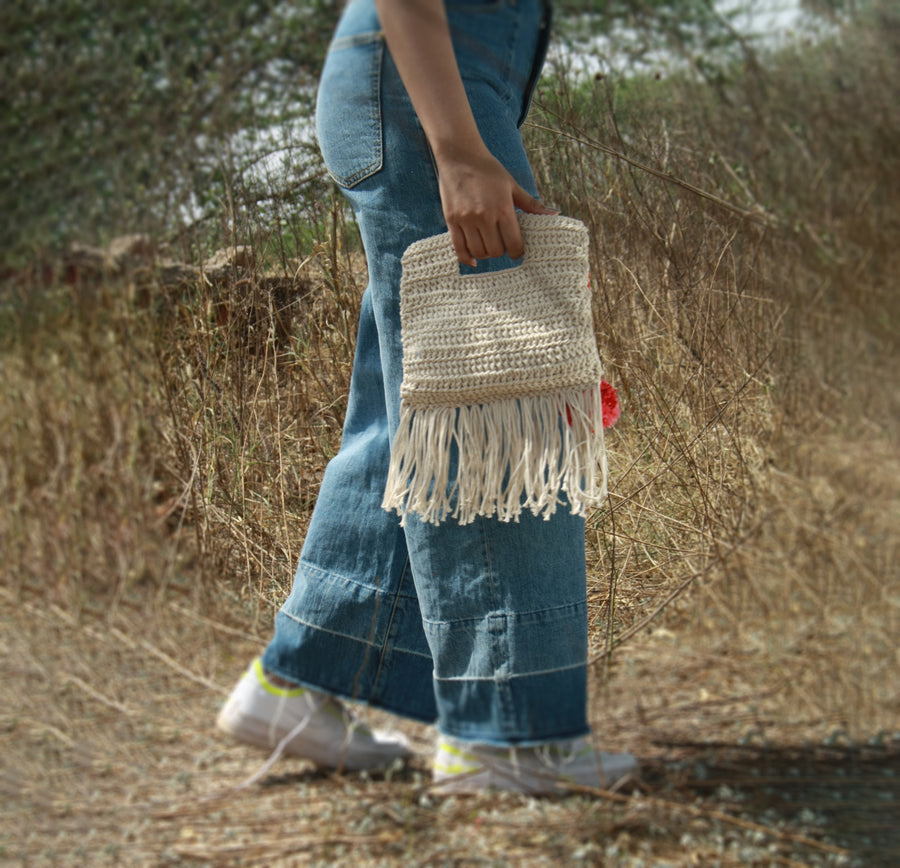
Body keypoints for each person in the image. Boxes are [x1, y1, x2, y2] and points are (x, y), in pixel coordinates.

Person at [216, 0, 637, 793]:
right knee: (494, 401)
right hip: (428, 95)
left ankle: (297, 685)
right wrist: (456, 149)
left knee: (420, 405)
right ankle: (504, 737)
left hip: (427, 87)